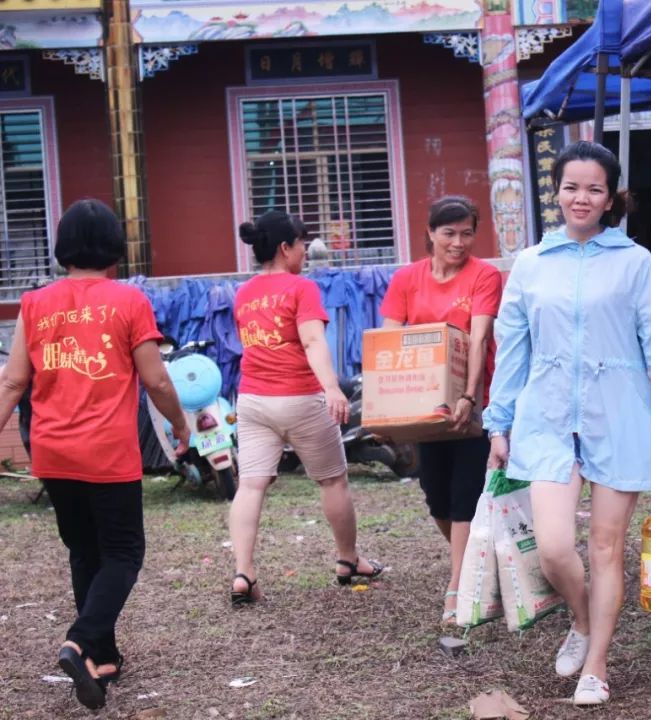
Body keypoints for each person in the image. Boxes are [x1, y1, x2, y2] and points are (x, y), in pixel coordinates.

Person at [484, 141, 651, 706]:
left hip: (619, 414)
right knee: (554, 547)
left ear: (611, 198)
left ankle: (596, 666)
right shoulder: (530, 264)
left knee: (605, 548)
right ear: (556, 192)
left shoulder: (635, 262)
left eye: (594, 189)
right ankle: (579, 619)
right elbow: (512, 349)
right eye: (571, 186)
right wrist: (498, 422)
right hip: (546, 417)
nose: (581, 197)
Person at [0, 199, 191, 711]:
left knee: (85, 552)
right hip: (107, 454)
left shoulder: (35, 303)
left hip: (53, 452)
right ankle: (80, 639)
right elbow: (155, 377)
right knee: (124, 554)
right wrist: (178, 422)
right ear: (113, 248)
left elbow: (15, 379)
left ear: (63, 247)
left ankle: (100, 659)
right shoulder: (128, 301)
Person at [228, 210, 382, 606]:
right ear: (285, 248)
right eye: (301, 245)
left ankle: (244, 571)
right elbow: (313, 342)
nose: (305, 253)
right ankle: (347, 560)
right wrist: (332, 388)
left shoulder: (244, 292)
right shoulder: (301, 288)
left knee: (250, 485)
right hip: (299, 397)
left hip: (253, 401)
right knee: (332, 480)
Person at [380, 195, 502, 624]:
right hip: (425, 405)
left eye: (467, 233)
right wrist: (387, 411)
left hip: (474, 400)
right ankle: (477, 567)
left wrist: (471, 397)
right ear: (430, 233)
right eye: (449, 233)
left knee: (465, 496)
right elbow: (389, 343)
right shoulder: (406, 280)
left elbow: (480, 337)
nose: (458, 242)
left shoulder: (484, 275)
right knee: (435, 497)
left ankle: (459, 587)